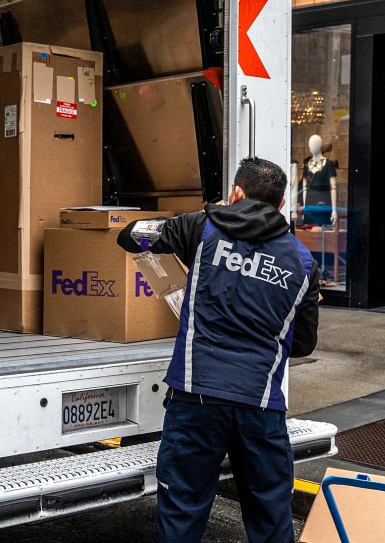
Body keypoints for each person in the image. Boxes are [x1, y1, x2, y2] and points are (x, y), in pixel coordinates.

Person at [117, 157, 320, 543]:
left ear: (236, 193)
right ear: (280, 204)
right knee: (271, 520)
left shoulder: (200, 228)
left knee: (182, 515)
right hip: (260, 406)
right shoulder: (303, 261)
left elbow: (130, 236)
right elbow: (304, 343)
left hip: (196, 401)